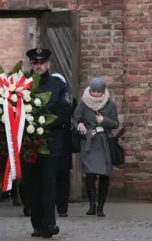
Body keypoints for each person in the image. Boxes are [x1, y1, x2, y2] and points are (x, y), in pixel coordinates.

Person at [23, 48, 69, 238]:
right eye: (35, 63)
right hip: (28, 144)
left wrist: (47, 123)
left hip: (50, 141)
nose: (38, 66)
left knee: (49, 184)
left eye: (41, 63)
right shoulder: (23, 85)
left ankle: (49, 223)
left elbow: (66, 110)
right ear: (31, 65)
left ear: (48, 64)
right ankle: (37, 224)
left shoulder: (58, 85)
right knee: (32, 185)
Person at [72, 77, 119, 217]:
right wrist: (79, 125)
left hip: (104, 142)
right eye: (94, 92)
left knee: (104, 175)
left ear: (104, 91)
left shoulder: (110, 104)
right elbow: (75, 119)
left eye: (99, 92)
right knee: (91, 173)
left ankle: (101, 207)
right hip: (89, 142)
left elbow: (115, 124)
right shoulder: (83, 103)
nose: (96, 95)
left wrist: (104, 120)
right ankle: (92, 205)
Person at [51, 73, 78, 217]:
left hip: (60, 142)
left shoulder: (67, 101)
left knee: (59, 177)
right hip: (61, 143)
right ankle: (62, 208)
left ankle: (60, 207)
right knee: (62, 177)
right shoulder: (70, 100)